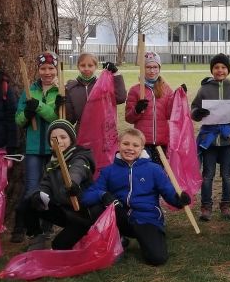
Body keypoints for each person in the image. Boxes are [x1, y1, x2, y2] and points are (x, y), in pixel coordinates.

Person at [82, 128, 191, 266]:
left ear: (142, 148)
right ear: (119, 144)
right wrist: (102, 194)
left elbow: (168, 192)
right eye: (126, 144)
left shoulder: (154, 169)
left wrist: (179, 199)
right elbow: (86, 197)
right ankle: (118, 238)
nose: (130, 148)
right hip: (121, 215)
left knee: (157, 259)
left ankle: (150, 237)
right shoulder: (108, 171)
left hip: (146, 218)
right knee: (97, 205)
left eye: (135, 145)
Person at [190, 53, 230, 221]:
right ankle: (206, 207)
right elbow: (194, 109)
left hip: (228, 139)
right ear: (212, 70)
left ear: (228, 70)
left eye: (223, 67)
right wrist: (197, 112)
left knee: (227, 174)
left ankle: (226, 205)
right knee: (208, 174)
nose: (220, 70)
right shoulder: (204, 89)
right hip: (209, 139)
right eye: (216, 67)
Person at [11, 51, 62, 243]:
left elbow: (57, 119)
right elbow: (19, 120)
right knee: (31, 188)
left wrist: (38, 106)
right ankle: (22, 225)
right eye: (43, 68)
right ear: (38, 69)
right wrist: (27, 111)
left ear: (56, 69)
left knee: (50, 188)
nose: (47, 72)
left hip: (54, 147)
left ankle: (47, 226)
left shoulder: (61, 90)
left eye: (51, 68)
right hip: (33, 147)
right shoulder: (29, 89)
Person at [24, 120, 98, 250]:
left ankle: (87, 234)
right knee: (29, 201)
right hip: (64, 211)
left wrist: (73, 183)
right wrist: (39, 194)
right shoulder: (52, 163)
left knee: (59, 246)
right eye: (54, 139)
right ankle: (37, 237)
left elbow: (78, 170)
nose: (58, 141)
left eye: (63, 137)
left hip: (81, 215)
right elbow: (45, 184)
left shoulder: (80, 157)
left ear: (71, 139)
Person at [125, 51, 178, 163]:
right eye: (148, 67)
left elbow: (169, 115)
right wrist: (137, 110)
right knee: (144, 174)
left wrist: (177, 98)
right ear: (143, 69)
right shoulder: (136, 90)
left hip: (161, 142)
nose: (152, 71)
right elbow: (129, 118)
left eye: (155, 67)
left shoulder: (166, 89)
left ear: (159, 68)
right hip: (142, 142)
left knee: (159, 173)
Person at [63, 52, 127, 130]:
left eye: (90, 65)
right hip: (81, 131)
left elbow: (120, 98)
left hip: (101, 130)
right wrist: (62, 105)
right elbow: (70, 119)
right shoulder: (71, 88)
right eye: (83, 65)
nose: (86, 68)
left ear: (96, 66)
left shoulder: (102, 85)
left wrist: (116, 74)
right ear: (78, 66)